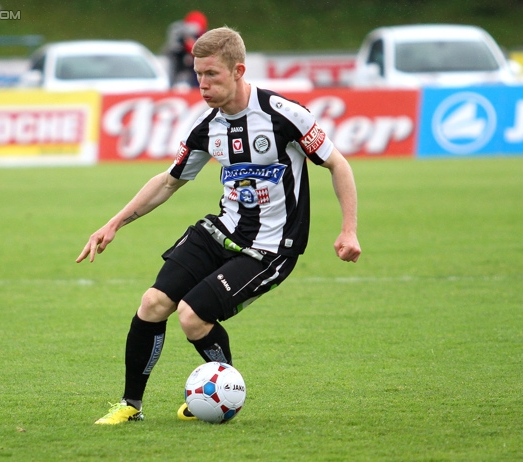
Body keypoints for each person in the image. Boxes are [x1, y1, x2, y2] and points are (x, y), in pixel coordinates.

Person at [77, 26, 361, 425]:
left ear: (238, 71)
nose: (203, 85)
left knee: (192, 316)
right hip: (222, 229)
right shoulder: (208, 128)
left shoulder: (284, 115)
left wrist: (348, 230)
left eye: (212, 75)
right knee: (153, 304)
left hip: (272, 247)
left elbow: (338, 163)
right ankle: (130, 405)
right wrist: (115, 223)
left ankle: (224, 396)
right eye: (198, 75)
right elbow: (168, 181)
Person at [162, 10, 208, 88]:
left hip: (195, 72)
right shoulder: (178, 38)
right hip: (181, 71)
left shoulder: (203, 38)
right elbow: (171, 51)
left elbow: (201, 51)